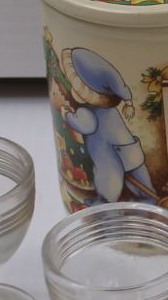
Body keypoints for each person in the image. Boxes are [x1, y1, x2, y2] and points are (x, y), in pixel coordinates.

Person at [56, 47, 157, 204]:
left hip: (106, 152)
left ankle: (105, 203)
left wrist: (67, 115)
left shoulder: (88, 111)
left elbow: (87, 126)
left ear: (85, 91)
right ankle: (149, 198)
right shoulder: (110, 110)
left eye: (75, 87)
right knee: (138, 174)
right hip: (128, 148)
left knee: (109, 176)